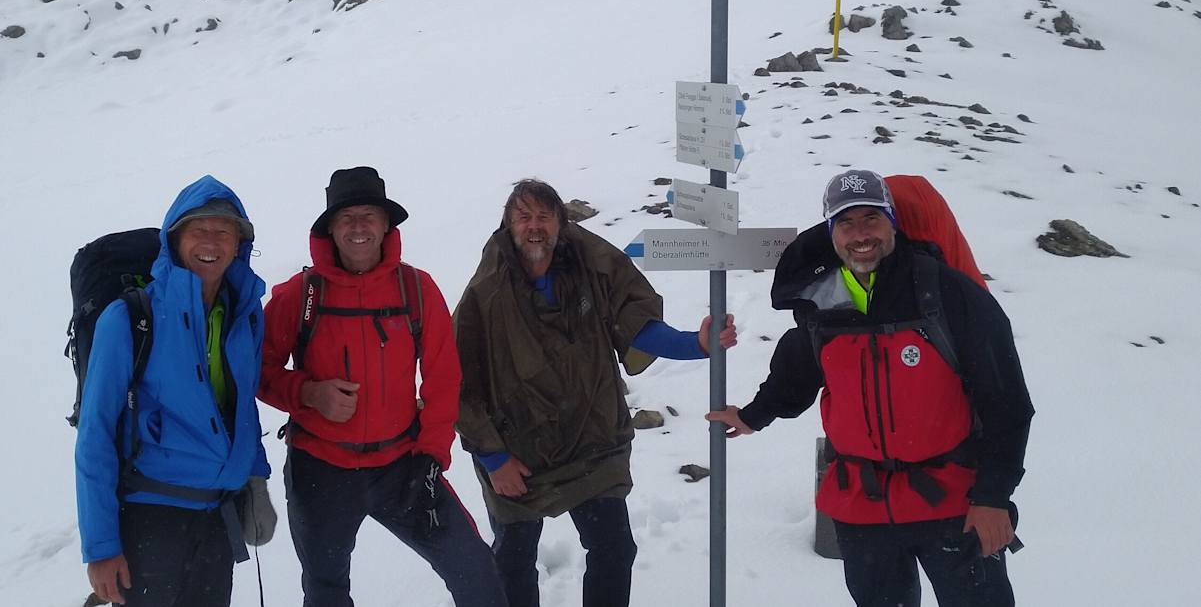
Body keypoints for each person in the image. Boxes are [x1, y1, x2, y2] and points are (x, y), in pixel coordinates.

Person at [707, 169, 1034, 607]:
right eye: (846, 223)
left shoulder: (947, 294)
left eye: (871, 219)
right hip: (862, 508)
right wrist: (751, 416)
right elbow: (798, 370)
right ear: (830, 232)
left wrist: (993, 497)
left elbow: (1006, 403)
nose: (861, 235)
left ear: (892, 222)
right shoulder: (821, 302)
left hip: (953, 502)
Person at [454, 178, 738, 607]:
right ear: (508, 225)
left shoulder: (589, 265)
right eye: (524, 217)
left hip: (591, 440)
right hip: (518, 453)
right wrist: (494, 459)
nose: (535, 227)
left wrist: (693, 345)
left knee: (614, 549)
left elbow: (634, 318)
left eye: (544, 217)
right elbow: (457, 382)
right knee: (513, 561)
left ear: (560, 223)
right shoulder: (485, 293)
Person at [258, 166, 506, 607]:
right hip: (321, 471)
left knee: (476, 574)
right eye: (346, 217)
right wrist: (309, 393)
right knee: (326, 592)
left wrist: (431, 455)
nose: (358, 227)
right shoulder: (300, 296)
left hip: (403, 466)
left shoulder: (415, 289)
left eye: (368, 215)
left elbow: (443, 378)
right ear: (330, 229)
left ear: (386, 225)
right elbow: (258, 371)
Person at [76, 175, 276, 607]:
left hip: (216, 516)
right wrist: (101, 547)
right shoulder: (128, 318)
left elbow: (240, 409)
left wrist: (255, 478)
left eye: (223, 231)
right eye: (198, 229)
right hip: (150, 519)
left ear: (238, 244)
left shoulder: (244, 314)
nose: (211, 240)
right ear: (174, 238)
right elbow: (95, 435)